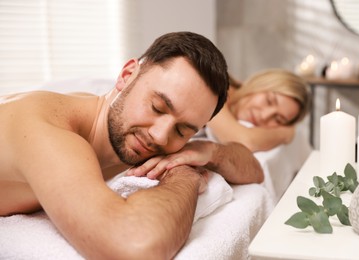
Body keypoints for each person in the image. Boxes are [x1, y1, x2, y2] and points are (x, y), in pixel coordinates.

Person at [0, 32, 263, 259]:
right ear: (126, 75)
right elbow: (135, 248)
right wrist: (186, 176)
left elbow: (253, 169)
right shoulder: (49, 132)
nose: (160, 137)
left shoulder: (131, 131)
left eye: (183, 130)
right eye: (157, 107)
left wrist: (208, 151)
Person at [205, 69, 311, 152]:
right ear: (259, 83)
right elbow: (243, 141)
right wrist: (285, 134)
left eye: (278, 119)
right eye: (269, 101)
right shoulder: (216, 89)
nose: (264, 116)